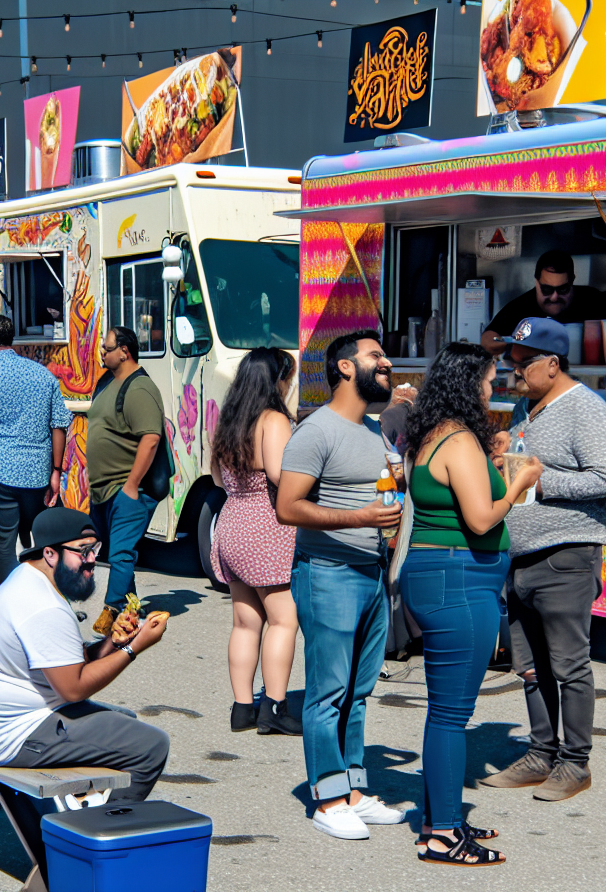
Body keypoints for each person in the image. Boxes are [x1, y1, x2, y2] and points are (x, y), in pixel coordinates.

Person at [402, 343, 542, 866]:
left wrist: (495, 462)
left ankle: (441, 820)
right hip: (459, 580)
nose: (494, 385)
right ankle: (442, 834)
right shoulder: (459, 440)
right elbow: (483, 519)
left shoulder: (436, 435)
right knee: (451, 715)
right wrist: (521, 481)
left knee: (446, 712)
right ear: (469, 382)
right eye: (488, 378)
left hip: (446, 577)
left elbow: (461, 501)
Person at [480, 318, 606, 801]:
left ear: (553, 363)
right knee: (529, 665)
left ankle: (575, 763)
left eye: (522, 363)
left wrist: (543, 482)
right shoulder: (528, 406)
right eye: (510, 361)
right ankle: (541, 752)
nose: (512, 371)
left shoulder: (586, 409)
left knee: (569, 665)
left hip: (565, 554)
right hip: (522, 556)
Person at [275, 330, 407, 840]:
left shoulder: (375, 430)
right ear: (346, 368)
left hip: (372, 575)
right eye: (376, 355)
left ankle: (352, 791)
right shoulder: (316, 431)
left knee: (358, 691)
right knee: (327, 693)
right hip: (328, 575)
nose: (387, 361)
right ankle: (327, 800)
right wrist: (360, 518)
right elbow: (287, 507)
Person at [0, 506, 170, 802]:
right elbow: (73, 688)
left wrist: (114, 642)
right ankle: (102, 833)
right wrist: (134, 648)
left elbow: (70, 660)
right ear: (50, 554)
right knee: (151, 745)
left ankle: (80, 811)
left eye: (95, 549)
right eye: (83, 551)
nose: (93, 559)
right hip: (7, 737)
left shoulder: (29, 580)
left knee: (126, 720)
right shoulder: (43, 605)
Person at [210, 347, 301, 736]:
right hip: (266, 524)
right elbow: (282, 476)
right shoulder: (273, 419)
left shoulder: (229, 420)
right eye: (289, 377)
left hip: (231, 521)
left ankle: (242, 707)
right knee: (284, 619)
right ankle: (275, 708)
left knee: (246, 622)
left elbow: (215, 478)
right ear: (276, 379)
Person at [0, 314, 71, 584]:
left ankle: (12, 609)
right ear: (12, 338)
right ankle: (49, 597)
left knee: (4, 550)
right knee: (42, 544)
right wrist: (56, 471)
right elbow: (59, 426)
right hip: (37, 473)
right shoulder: (42, 375)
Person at [86, 326, 163, 637]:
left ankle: (112, 609)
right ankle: (132, 608)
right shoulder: (107, 383)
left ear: (125, 352)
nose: (102, 353)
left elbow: (150, 438)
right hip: (103, 490)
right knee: (117, 552)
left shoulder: (140, 388)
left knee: (120, 553)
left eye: (106, 348)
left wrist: (131, 485)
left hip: (127, 488)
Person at [480, 251, 606, 356]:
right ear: (536, 282)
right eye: (547, 289)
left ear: (572, 281)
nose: (554, 297)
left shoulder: (591, 299)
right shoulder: (521, 307)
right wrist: (504, 343)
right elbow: (487, 339)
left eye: (562, 289)